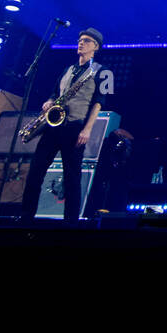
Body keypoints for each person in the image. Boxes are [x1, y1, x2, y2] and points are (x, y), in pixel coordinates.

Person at [20, 27, 104, 221]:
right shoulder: (68, 69)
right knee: (35, 173)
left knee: (72, 178)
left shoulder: (101, 71)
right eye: (80, 40)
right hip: (53, 127)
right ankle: (25, 218)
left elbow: (99, 102)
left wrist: (88, 129)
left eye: (86, 41)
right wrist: (49, 102)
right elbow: (54, 93)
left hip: (74, 128)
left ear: (95, 46)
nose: (81, 43)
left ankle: (70, 223)